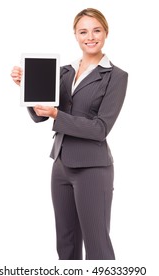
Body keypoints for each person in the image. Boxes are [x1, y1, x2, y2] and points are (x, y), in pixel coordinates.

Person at [11, 8, 128, 260]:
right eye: (83, 31)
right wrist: (27, 88)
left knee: (97, 247)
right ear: (75, 35)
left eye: (96, 30)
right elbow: (40, 116)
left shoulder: (116, 77)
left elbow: (100, 129)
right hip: (61, 165)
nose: (90, 37)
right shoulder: (62, 71)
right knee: (66, 246)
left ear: (106, 32)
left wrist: (56, 115)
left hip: (93, 168)